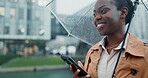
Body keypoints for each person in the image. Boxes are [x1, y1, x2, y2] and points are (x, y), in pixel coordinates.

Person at [70, 0, 148, 78]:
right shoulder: (92, 52)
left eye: (103, 11)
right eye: (95, 14)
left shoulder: (145, 54)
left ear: (123, 13)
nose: (96, 18)